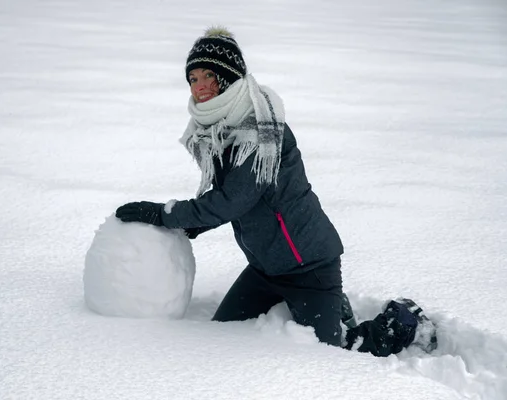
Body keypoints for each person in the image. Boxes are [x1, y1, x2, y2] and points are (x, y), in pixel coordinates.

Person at [115, 27, 437, 357]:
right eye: (193, 78)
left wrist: (163, 214)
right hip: (264, 269)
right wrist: (189, 225)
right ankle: (330, 303)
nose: (201, 87)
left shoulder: (260, 130)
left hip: (309, 267)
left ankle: (406, 321)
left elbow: (232, 200)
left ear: (229, 76)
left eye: (210, 75)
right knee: (223, 332)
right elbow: (232, 199)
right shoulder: (219, 131)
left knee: (338, 349)